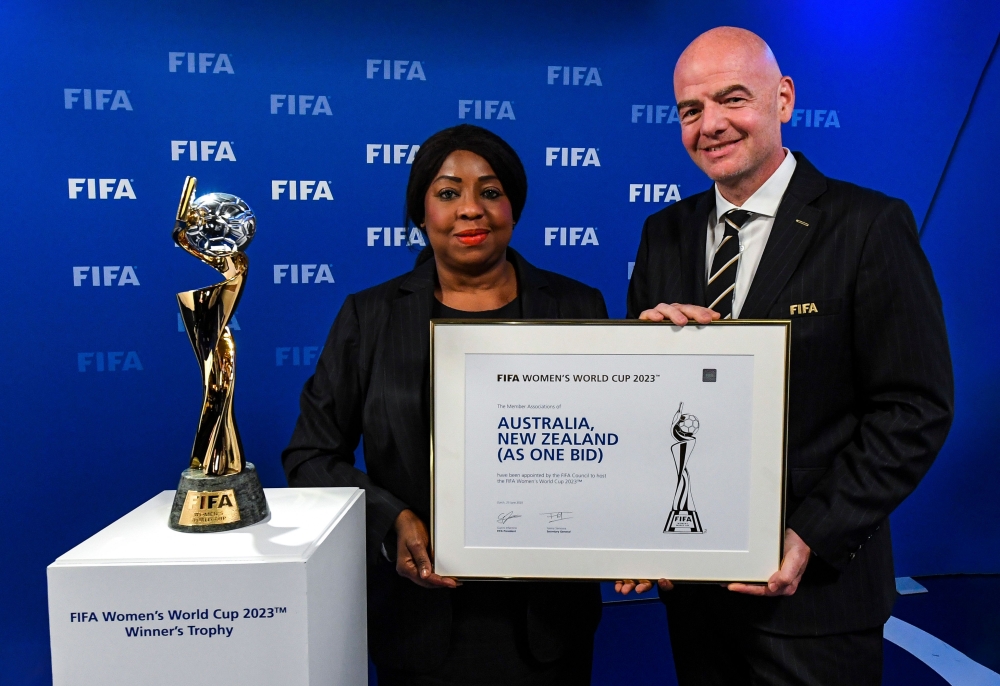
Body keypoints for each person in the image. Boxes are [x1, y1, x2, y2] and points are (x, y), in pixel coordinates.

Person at [619, 27, 954, 685]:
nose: (709, 125)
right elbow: (648, 409)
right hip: (694, 595)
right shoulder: (664, 233)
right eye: (691, 110)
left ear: (784, 99)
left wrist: (810, 535)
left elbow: (915, 408)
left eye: (731, 99)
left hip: (819, 601)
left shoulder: (868, 226)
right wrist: (646, 351)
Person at [282, 124, 605, 686]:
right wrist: (392, 519)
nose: (471, 210)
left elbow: (614, 443)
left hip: (549, 623)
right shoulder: (370, 316)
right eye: (449, 192)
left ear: (514, 207)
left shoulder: (578, 305)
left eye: (491, 191)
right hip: (419, 622)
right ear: (421, 210)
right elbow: (309, 457)